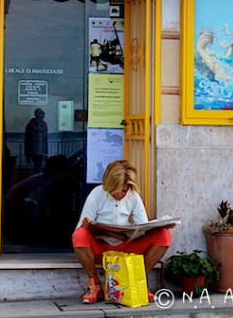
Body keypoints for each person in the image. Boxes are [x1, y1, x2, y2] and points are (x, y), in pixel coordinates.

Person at [72, 160, 172, 304]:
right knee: (79, 235)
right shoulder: (96, 194)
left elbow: (142, 226)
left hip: (127, 247)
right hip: (102, 249)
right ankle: (95, 285)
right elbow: (80, 230)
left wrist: (158, 226)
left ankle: (138, 283)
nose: (121, 194)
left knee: (164, 235)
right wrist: (90, 227)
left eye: (124, 191)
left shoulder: (133, 196)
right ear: (108, 186)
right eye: (116, 191)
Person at [24, 108, 48, 173]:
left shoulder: (44, 125)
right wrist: (27, 154)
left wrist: (46, 152)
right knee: (37, 167)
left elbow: (45, 139)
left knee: (38, 167)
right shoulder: (31, 125)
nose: (43, 114)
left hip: (41, 150)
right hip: (33, 151)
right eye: (41, 113)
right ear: (37, 114)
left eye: (43, 113)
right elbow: (27, 140)